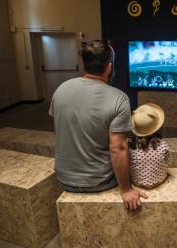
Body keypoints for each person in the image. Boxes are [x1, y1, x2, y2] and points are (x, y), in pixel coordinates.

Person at [49, 40, 147, 211]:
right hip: (99, 182)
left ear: (84, 64)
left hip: (64, 179)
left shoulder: (60, 89)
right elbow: (118, 148)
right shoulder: (119, 98)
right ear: (109, 67)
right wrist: (126, 189)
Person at [128, 103, 170, 188]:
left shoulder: (130, 146)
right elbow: (168, 162)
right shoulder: (163, 145)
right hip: (159, 180)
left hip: (137, 182)